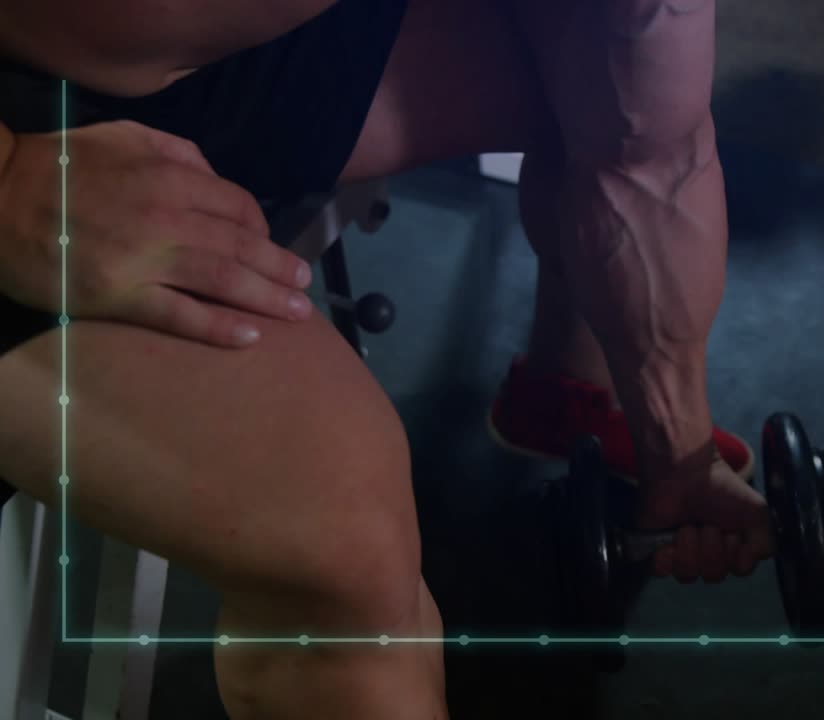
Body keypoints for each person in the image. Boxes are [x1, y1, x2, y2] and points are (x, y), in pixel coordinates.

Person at [0, 0, 772, 717]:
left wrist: (680, 450)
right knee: (346, 555)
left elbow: (648, 148)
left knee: (597, 88)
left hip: (185, 62)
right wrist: (11, 188)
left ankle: (563, 392)